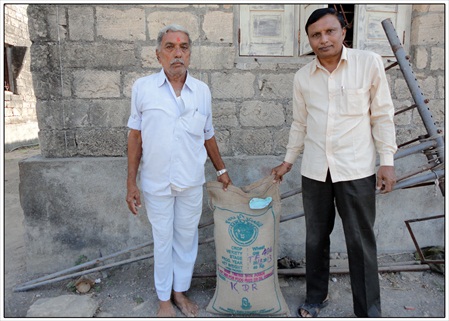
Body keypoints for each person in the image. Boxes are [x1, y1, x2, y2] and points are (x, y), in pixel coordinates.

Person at [271, 8, 397, 318]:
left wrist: (388, 161)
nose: (323, 39)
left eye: (329, 31)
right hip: (315, 170)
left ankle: (367, 310)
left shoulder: (368, 63)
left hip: (356, 169)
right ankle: (315, 298)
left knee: (360, 240)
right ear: (309, 40)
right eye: (316, 35)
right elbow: (299, 124)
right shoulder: (303, 77)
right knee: (315, 238)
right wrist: (288, 162)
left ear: (343, 31)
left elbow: (382, 114)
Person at [126, 24, 232, 317]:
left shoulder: (202, 91)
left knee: (186, 240)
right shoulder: (143, 88)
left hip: (190, 182)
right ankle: (163, 301)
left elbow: (208, 134)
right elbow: (135, 136)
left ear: (190, 54)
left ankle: (179, 293)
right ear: (158, 54)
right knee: (163, 241)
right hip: (155, 182)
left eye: (183, 47)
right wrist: (130, 183)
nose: (177, 53)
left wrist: (221, 170)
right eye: (170, 47)